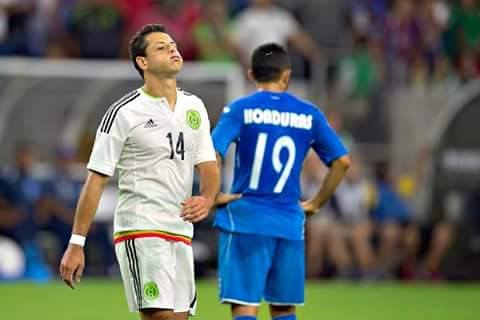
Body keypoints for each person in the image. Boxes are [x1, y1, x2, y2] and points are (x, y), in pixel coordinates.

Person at [59, 24, 220, 320]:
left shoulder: (193, 106)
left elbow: (208, 163)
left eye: (172, 44)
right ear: (142, 62)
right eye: (161, 47)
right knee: (160, 316)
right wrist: (76, 243)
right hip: (141, 226)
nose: (173, 49)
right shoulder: (123, 112)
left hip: (181, 230)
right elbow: (96, 180)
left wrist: (207, 198)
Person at [211, 43, 350, 320]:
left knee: (244, 304)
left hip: (247, 218)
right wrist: (316, 203)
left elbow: (211, 151)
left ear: (252, 74)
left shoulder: (240, 109)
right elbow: (342, 162)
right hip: (289, 221)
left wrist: (212, 194)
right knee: (284, 307)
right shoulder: (308, 114)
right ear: (286, 75)